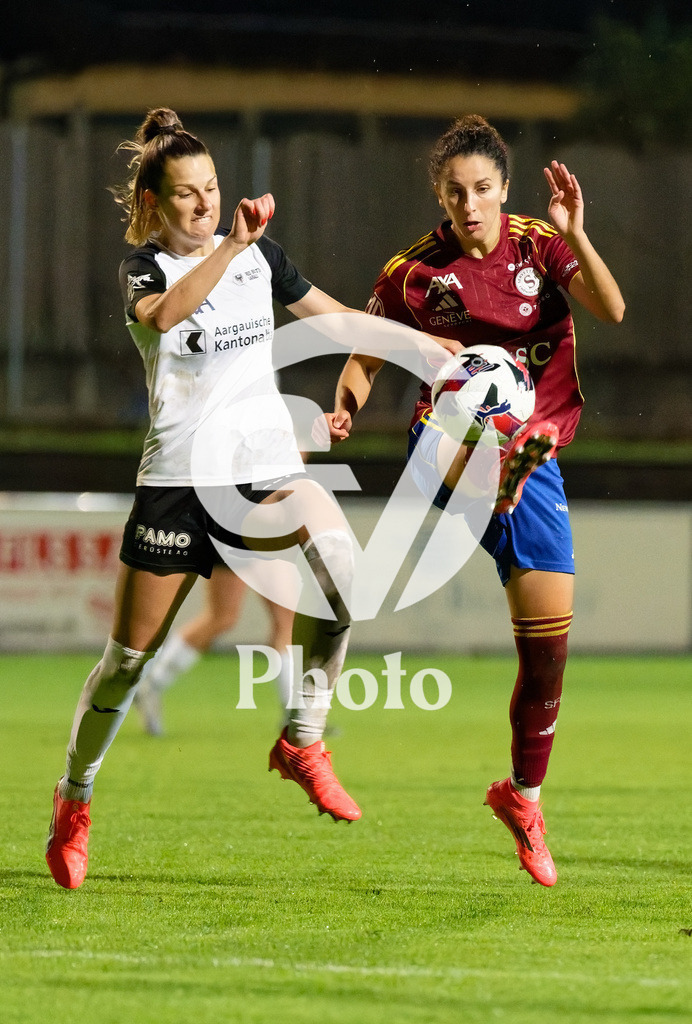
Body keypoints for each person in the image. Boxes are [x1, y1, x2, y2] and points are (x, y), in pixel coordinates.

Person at [45, 106, 370, 890]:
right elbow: (163, 316)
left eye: (213, 188)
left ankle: (303, 738)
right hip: (178, 488)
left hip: (261, 474)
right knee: (125, 663)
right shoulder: (147, 270)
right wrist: (229, 246)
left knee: (344, 571)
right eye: (187, 194)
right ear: (156, 205)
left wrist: (430, 353)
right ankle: (74, 796)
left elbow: (338, 322)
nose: (206, 204)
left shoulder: (264, 259)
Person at [326, 115, 625, 887]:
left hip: (538, 463)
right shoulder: (416, 273)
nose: (470, 205)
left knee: (548, 650)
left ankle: (523, 797)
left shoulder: (537, 245)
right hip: (447, 449)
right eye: (455, 192)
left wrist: (577, 233)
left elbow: (612, 308)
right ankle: (498, 459)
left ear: (504, 190)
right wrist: (346, 407)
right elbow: (367, 348)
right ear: (439, 193)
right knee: (467, 429)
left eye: (483, 189)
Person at [133, 565, 294, 736]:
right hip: (257, 541)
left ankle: (151, 683)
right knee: (284, 621)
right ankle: (295, 715)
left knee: (222, 617)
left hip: (229, 541)